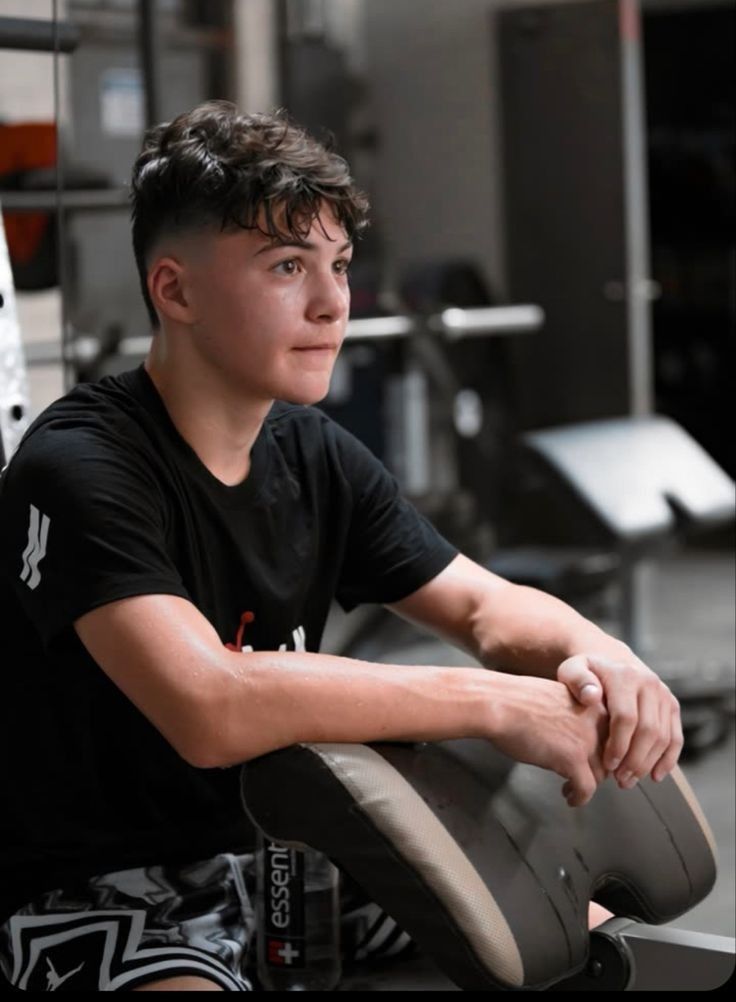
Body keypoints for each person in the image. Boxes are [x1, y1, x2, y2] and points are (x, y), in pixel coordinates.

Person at [0, 101, 682, 992]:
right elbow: (210, 705)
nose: (333, 305)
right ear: (175, 290)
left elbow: (482, 605)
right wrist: (498, 705)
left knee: (578, 949)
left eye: (340, 265)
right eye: (287, 266)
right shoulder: (80, 463)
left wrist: (602, 654)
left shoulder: (312, 451)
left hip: (294, 852)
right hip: (100, 886)